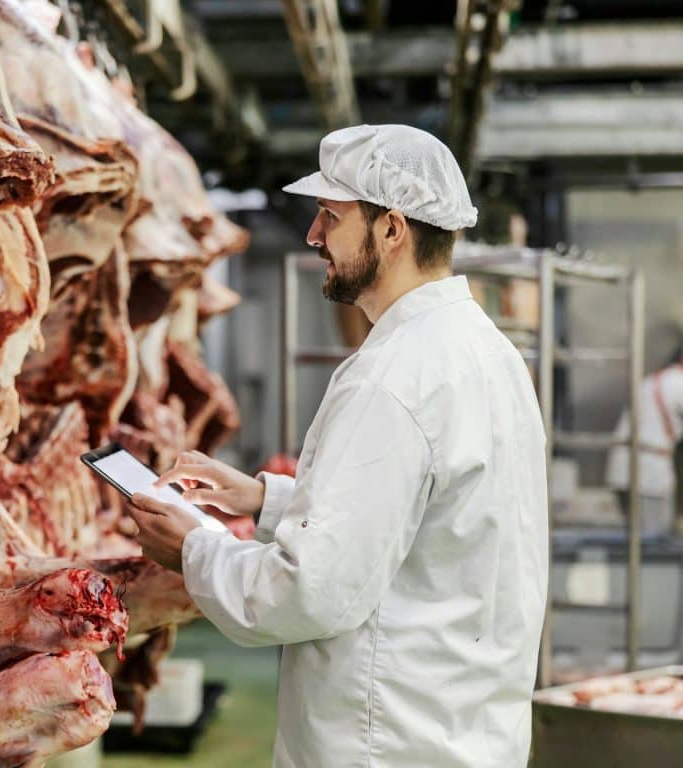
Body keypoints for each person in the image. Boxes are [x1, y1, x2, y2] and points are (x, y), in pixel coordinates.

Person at [126, 124, 549, 768]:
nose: (314, 234)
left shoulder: (396, 376)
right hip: (462, 729)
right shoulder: (482, 350)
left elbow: (306, 593)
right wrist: (265, 498)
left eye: (331, 215)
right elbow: (423, 520)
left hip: (385, 741)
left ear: (391, 229)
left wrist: (193, 546)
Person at [605, 345, 683, 536]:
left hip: (622, 469)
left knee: (637, 542)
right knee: (654, 545)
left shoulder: (654, 380)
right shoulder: (678, 382)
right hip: (649, 474)